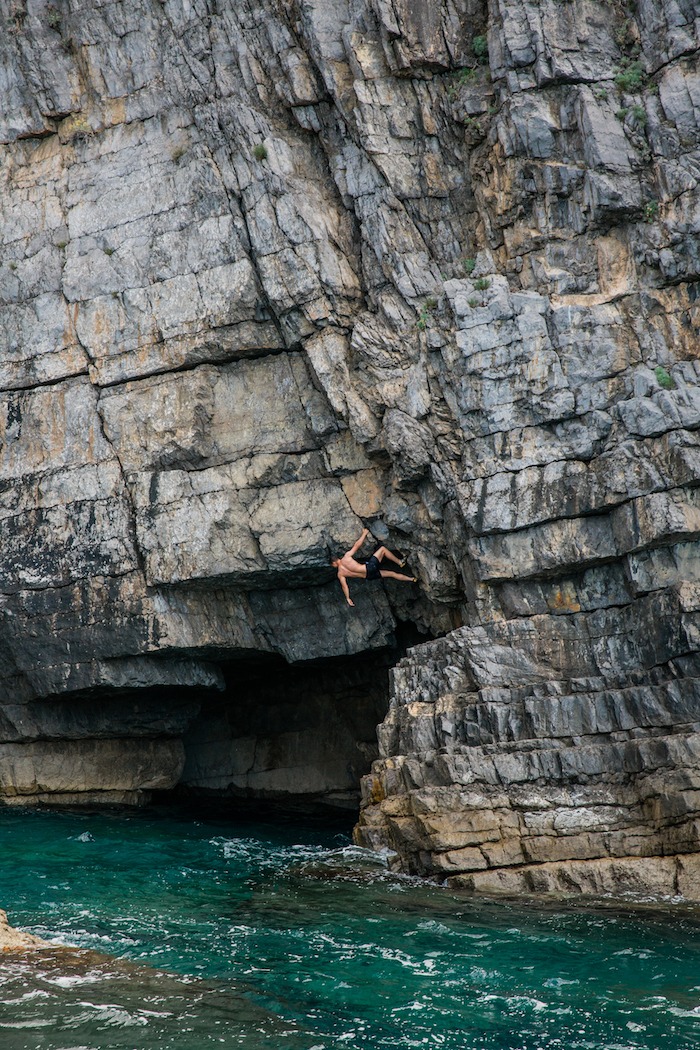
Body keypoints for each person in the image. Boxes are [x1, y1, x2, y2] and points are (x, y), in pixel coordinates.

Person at [331, 527, 417, 607]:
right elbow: (357, 545)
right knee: (382, 549)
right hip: (369, 567)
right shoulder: (346, 557)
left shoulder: (340, 574)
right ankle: (399, 562)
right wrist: (364, 533)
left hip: (369, 576)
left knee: (391, 574)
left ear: (334, 563)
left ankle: (412, 579)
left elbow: (344, 586)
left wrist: (348, 598)